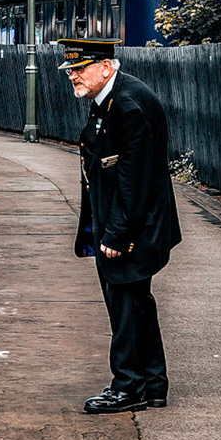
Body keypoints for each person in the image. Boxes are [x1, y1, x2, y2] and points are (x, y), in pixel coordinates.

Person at [60, 37, 181, 413]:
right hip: (126, 225)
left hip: (131, 230)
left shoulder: (126, 105)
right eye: (71, 71)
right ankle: (152, 385)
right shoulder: (110, 100)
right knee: (136, 305)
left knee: (126, 306)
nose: (73, 77)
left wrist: (116, 234)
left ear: (106, 67)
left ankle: (128, 387)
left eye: (80, 70)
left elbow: (134, 178)